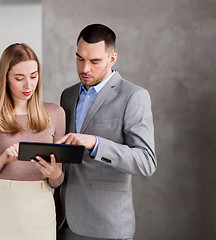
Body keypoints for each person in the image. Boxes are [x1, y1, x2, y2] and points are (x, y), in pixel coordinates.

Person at [55, 24, 157, 240]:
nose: (85, 68)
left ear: (112, 59)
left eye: (95, 61)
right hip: (64, 221)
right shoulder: (68, 95)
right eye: (80, 58)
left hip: (107, 225)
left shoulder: (134, 96)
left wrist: (96, 143)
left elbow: (146, 162)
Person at [0, 43, 65, 240]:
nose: (28, 85)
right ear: (5, 79)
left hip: (40, 210)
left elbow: (58, 181)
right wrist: (0, 162)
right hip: (1, 210)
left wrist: (55, 174)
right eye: (19, 78)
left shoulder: (55, 114)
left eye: (33, 76)